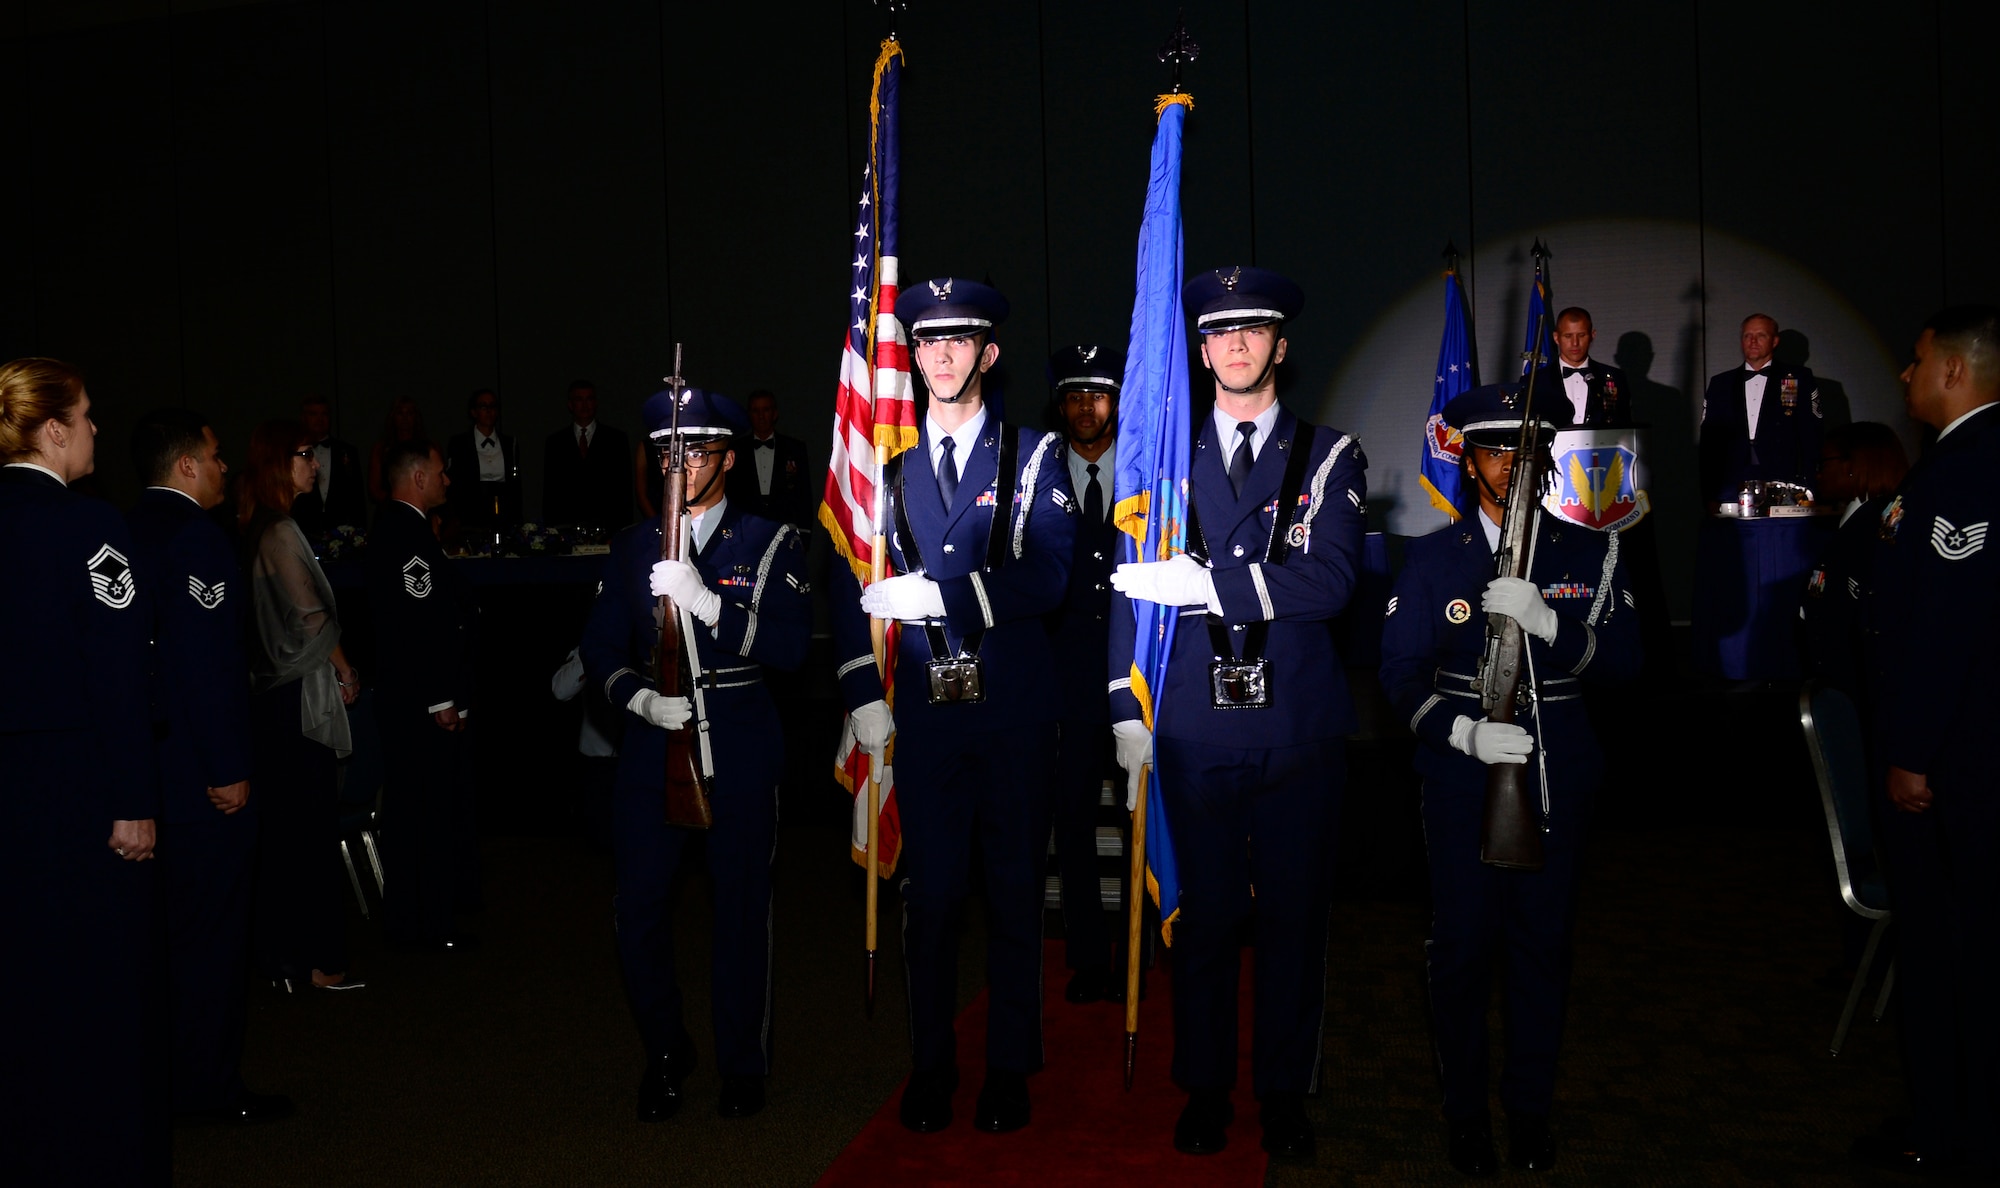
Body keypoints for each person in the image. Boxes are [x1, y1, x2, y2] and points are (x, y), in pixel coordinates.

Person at [1107, 266, 1366, 1161]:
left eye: (1253, 331)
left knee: (1295, 923)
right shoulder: (1163, 465)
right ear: (1202, 350)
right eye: (1219, 333)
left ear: (1280, 346)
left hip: (1296, 727)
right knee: (1207, 920)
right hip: (1195, 723)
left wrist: (1208, 583)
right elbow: (1124, 591)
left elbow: (1331, 582)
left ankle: (1286, 1091)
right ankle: (1206, 1088)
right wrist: (1120, 705)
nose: (1237, 346)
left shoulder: (1332, 455)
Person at [830, 277, 1076, 1135]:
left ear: (987, 354)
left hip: (1010, 715)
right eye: (928, 343)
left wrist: (945, 599)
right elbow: (846, 588)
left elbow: (1049, 574)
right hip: (926, 719)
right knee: (929, 903)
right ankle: (930, 1065)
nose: (940, 355)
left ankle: (1008, 1068)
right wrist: (863, 688)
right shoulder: (888, 476)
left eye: (958, 341)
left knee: (1012, 896)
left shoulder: (1033, 456)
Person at [1377, 383, 1638, 1176]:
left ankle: (1528, 1110)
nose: (1512, 468)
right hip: (1462, 775)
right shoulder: (1431, 557)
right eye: (1496, 451)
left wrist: (1549, 622)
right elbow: (1395, 674)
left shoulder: (1589, 548)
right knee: (1459, 950)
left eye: (1527, 452)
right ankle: (1464, 1111)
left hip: (1557, 770)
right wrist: (1459, 731)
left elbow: (1629, 663)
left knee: (1541, 948)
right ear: (1471, 461)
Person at [581, 386, 811, 1123]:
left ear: (728, 460)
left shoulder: (769, 542)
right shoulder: (630, 546)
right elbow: (599, 648)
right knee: (637, 911)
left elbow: (788, 647)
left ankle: (743, 1064)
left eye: (697, 449)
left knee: (739, 912)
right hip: (653, 750)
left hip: (740, 745)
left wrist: (711, 604)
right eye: (666, 450)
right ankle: (666, 1050)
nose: (679, 462)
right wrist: (637, 700)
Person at [0, 357, 167, 1185]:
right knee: (98, 994)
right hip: (78, 788)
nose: (99, 429)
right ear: (53, 429)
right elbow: (119, 672)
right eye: (89, 415)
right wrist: (134, 801)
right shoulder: (92, 528)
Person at [1853, 305, 2000, 1177]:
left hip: (1956, 765)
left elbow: (1947, 627)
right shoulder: (1959, 466)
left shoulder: (1967, 472)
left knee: (1953, 952)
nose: (1906, 378)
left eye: (1916, 364)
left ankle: (1953, 1129)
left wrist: (1911, 749)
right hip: (1969, 753)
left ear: (1954, 371)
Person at [127, 409, 294, 1124]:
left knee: (163, 945)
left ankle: (164, 1084)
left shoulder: (125, 527)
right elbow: (206, 666)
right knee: (213, 946)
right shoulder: (197, 537)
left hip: (151, 773)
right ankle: (211, 1092)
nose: (226, 468)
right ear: (187, 465)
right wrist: (228, 766)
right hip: (202, 784)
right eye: (216, 456)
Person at [239, 420, 362, 992]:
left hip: (271, 699)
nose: (315, 463)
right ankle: (312, 962)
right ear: (277, 463)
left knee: (288, 834)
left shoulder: (260, 527)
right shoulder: (280, 531)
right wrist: (344, 666)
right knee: (307, 832)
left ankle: (287, 960)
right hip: (292, 699)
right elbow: (310, 616)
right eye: (304, 454)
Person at [368, 437, 480, 951]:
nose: (446, 481)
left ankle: (415, 919)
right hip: (417, 705)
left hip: (407, 700)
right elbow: (420, 624)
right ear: (418, 478)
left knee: (418, 810)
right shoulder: (406, 534)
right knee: (423, 811)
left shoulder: (405, 529)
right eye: (440, 472)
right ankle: (422, 924)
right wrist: (442, 698)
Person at [1045, 343, 1126, 1004]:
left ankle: (1147, 942)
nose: (1084, 408)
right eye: (1073, 395)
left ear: (1116, 401)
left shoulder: (1146, 473)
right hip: (1064, 681)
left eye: (1097, 395)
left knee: (1142, 815)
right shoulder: (1036, 475)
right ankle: (1091, 956)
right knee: (1070, 818)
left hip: (1137, 679)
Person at [1799, 421, 1907, 699]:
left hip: (1859, 686)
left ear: (1853, 465)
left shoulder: (1878, 525)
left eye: (1824, 463)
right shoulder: (1858, 519)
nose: (1818, 474)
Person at [1698, 313, 1823, 503]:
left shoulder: (1797, 378)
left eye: (1761, 335)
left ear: (1774, 341)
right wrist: (1709, 492)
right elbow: (1709, 442)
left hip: (1785, 480)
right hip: (1731, 482)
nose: (1753, 341)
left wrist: (1809, 485)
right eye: (1747, 336)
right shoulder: (1721, 383)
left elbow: (1811, 434)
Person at [543, 379, 633, 531]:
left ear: (596, 403)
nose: (585, 405)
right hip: (567, 529)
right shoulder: (555, 442)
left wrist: (621, 532)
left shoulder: (616, 439)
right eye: (579, 400)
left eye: (589, 399)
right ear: (570, 405)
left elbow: (624, 491)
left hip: (607, 528)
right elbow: (551, 493)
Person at [725, 389, 813, 527]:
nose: (761, 416)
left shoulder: (794, 448)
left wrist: (804, 535)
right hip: (745, 529)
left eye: (766, 410)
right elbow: (728, 495)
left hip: (783, 528)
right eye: (756, 411)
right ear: (749, 415)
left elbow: (804, 495)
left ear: (775, 413)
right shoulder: (735, 450)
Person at [445, 388, 523, 545]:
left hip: (504, 515)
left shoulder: (510, 443)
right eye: (483, 406)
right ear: (473, 412)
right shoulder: (459, 443)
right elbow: (455, 484)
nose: (489, 411)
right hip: (472, 516)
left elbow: (515, 484)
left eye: (493, 406)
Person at [1534, 307, 1631, 426]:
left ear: (1592, 335)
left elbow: (1624, 426)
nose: (1575, 343)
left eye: (1581, 335)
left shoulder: (1615, 378)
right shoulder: (1535, 381)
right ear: (1556, 338)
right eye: (1568, 336)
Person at [292, 394, 366, 538]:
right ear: (303, 418)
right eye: (314, 414)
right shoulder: (294, 452)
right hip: (304, 531)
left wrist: (360, 532)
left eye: (324, 414)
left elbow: (357, 496)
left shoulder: (347, 451)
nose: (320, 419)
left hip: (341, 533)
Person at [367, 394, 428, 507]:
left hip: (421, 509)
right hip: (389, 509)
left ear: (416, 417)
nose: (405, 419)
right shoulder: (381, 449)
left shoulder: (427, 448)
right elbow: (374, 488)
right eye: (400, 413)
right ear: (393, 416)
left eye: (409, 413)